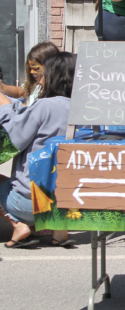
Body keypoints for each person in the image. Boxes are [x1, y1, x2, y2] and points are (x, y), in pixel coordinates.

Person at [0, 52, 76, 248]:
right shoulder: (83, 109)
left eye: (43, 72)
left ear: (54, 76)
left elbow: (11, 141)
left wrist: (5, 108)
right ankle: (58, 228)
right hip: (69, 201)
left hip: (31, 202)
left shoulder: (44, 106)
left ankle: (17, 225)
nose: (39, 78)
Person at [0, 42, 59, 107]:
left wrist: (11, 105)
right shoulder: (36, 85)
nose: (31, 72)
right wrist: (1, 87)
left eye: (36, 69)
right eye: (30, 68)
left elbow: (36, 111)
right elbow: (20, 92)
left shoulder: (56, 93)